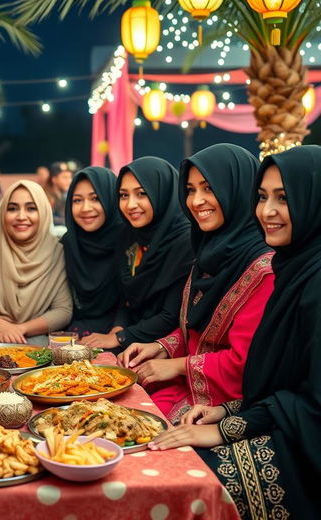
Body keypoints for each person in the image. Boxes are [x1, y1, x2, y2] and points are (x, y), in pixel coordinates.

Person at [149, 145, 321, 520]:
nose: (267, 211)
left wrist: (230, 427)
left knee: (188, 475)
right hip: (267, 414)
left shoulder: (291, 275)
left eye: (284, 198)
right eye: (261, 197)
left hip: (304, 449)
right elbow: (280, 384)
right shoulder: (291, 266)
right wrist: (229, 415)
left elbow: (309, 404)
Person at [118, 144, 274, 423]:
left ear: (238, 191)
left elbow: (246, 363)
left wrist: (177, 365)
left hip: (228, 403)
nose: (196, 200)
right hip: (190, 384)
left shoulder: (264, 270)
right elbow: (199, 334)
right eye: (190, 190)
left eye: (209, 188)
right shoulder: (207, 254)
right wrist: (160, 346)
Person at [83, 157, 193, 349]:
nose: (130, 204)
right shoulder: (129, 235)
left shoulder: (185, 241)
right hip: (133, 336)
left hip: (166, 346)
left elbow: (171, 315)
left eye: (141, 193)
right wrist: (118, 329)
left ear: (162, 192)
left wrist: (120, 337)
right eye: (124, 195)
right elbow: (126, 299)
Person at [0, 180, 73, 344]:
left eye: (31, 208)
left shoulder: (57, 252)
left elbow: (63, 310)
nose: (21, 216)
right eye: (12, 209)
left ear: (43, 212)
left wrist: (19, 329)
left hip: (37, 342)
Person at [61, 166, 123, 337]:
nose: (85, 208)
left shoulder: (128, 241)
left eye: (95, 199)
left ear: (111, 199)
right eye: (77, 200)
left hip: (122, 332)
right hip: (73, 329)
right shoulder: (68, 243)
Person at [46, 161, 73, 226]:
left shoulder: (65, 195)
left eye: (70, 177)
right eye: (65, 177)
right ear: (54, 179)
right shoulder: (47, 197)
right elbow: (47, 219)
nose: (69, 180)